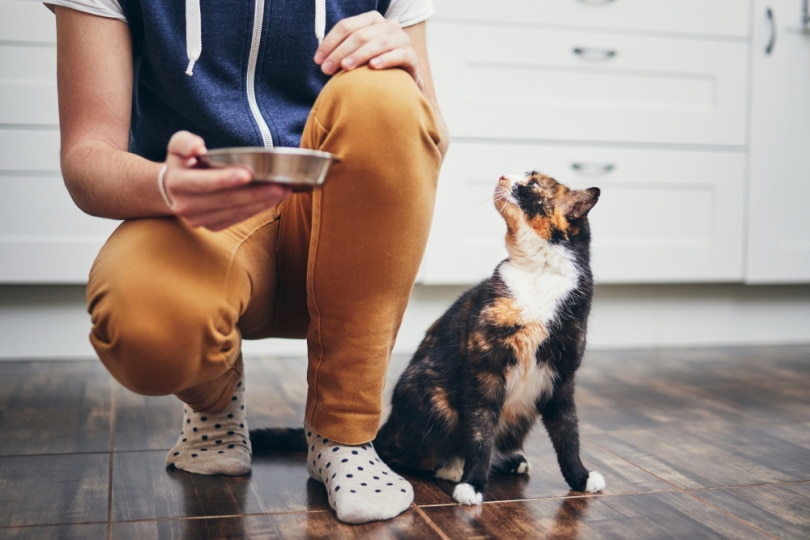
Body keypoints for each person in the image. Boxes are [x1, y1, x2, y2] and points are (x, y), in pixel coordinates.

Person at [47, 0, 448, 525]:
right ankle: (213, 403)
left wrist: (407, 78)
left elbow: (429, 136)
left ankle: (344, 433)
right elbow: (86, 156)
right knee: (144, 324)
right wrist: (167, 185)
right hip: (198, 219)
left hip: (340, 215)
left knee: (388, 93)